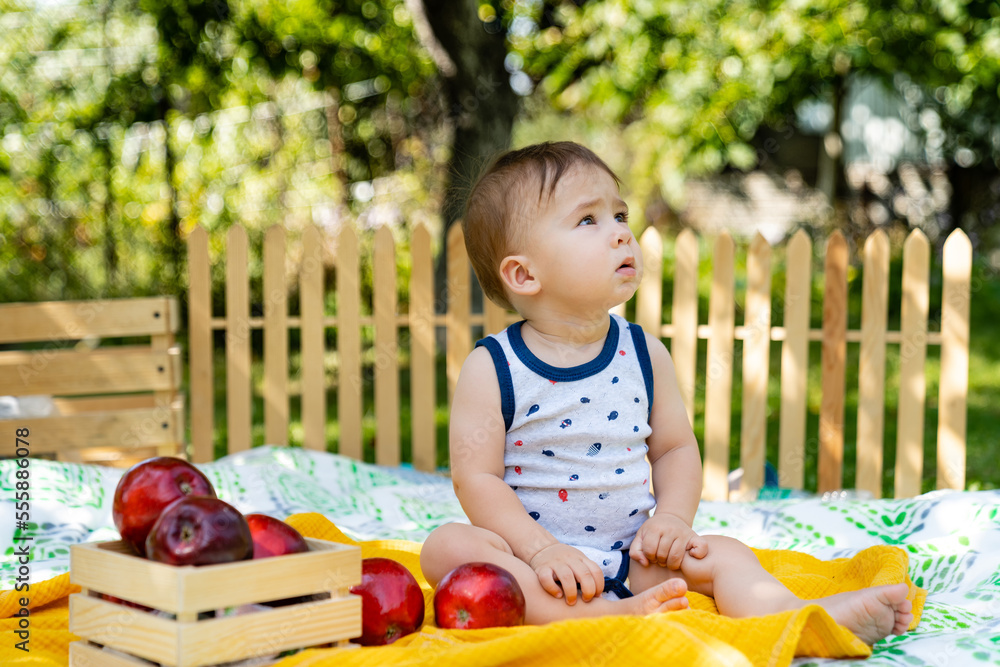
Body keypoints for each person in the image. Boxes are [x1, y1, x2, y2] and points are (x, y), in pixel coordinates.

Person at [419, 141, 913, 643]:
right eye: (588, 221)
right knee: (446, 547)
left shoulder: (643, 354)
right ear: (524, 274)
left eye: (619, 214)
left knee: (726, 554)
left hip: (636, 559)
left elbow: (676, 448)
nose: (620, 233)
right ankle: (590, 619)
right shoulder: (493, 366)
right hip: (536, 565)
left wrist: (673, 519)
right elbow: (475, 477)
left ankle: (796, 619)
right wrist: (540, 550)